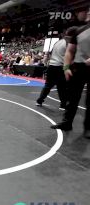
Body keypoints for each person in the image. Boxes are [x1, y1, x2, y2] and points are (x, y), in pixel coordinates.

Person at [51, 9, 90, 138]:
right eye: (88, 11)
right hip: (79, 67)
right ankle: (67, 122)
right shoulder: (78, 30)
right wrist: (66, 67)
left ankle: (88, 128)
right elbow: (69, 50)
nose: (88, 13)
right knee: (72, 97)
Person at [36, 31, 69, 109]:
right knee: (62, 87)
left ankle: (39, 101)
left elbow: (50, 54)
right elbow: (69, 56)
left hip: (52, 66)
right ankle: (63, 105)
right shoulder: (68, 43)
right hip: (61, 66)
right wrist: (66, 69)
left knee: (48, 85)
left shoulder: (57, 42)